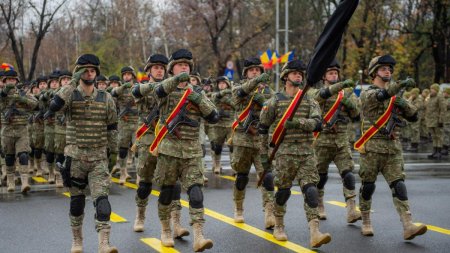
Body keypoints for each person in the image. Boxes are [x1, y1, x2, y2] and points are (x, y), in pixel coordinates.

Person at [134, 49, 218, 251]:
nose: (184, 68)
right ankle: (165, 230)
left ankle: (199, 235)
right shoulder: (165, 89)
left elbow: (213, 115)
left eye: (187, 66)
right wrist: (176, 80)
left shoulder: (198, 92)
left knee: (196, 192)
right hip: (168, 151)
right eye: (180, 65)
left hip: (192, 152)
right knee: (166, 191)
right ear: (172, 69)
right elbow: (158, 91)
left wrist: (197, 98)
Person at [45, 54, 119, 252]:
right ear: (78, 72)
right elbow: (54, 106)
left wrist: (113, 156)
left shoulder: (106, 98)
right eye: (85, 70)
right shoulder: (69, 95)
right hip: (75, 159)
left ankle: (104, 242)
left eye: (92, 70)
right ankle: (77, 241)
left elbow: (112, 128)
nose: (89, 73)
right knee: (77, 203)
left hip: (98, 159)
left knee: (102, 201)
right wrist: (73, 81)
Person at [259, 60, 332, 248]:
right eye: (294, 73)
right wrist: (263, 154)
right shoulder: (274, 101)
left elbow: (318, 123)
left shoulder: (309, 100)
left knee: (311, 190)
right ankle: (279, 225)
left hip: (307, 153)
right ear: (285, 77)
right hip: (284, 153)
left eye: (301, 73)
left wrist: (299, 124)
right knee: (283, 192)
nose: (299, 75)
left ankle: (315, 231)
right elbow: (263, 128)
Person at [355, 54, 427, 240]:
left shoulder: (394, 96)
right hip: (372, 148)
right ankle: (366, 221)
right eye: (383, 68)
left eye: (389, 69)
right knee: (368, 186)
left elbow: (413, 116)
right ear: (374, 73)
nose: (388, 71)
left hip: (392, 148)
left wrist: (403, 103)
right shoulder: (368, 93)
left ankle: (408, 224)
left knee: (399, 185)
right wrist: (400, 86)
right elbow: (381, 95)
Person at [311, 59, 361, 223]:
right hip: (321, 142)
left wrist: (350, 104)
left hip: (341, 141)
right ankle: (319, 205)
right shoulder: (316, 92)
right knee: (320, 176)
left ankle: (352, 209)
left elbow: (356, 114)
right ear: (324, 76)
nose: (334, 75)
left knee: (348, 174)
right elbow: (317, 99)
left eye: (336, 73)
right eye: (330, 73)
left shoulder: (347, 93)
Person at [229, 57, 275, 229]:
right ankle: (238, 208)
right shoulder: (239, 88)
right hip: (243, 140)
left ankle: (269, 212)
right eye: (251, 70)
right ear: (246, 73)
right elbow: (237, 96)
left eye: (258, 70)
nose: (255, 72)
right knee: (241, 177)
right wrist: (256, 83)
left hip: (262, 142)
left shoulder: (269, 92)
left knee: (267, 177)